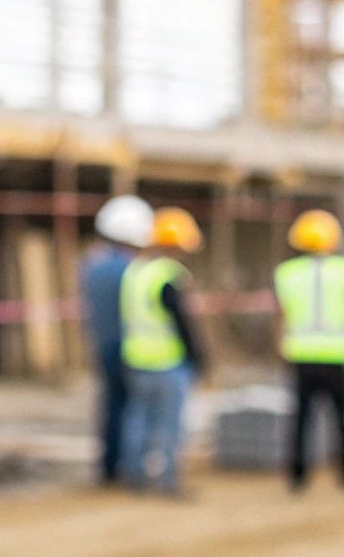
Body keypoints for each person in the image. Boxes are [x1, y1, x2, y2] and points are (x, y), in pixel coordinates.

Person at [273, 209, 344, 492]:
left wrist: (280, 345)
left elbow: (280, 314)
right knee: (341, 419)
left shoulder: (287, 273)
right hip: (337, 355)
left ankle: (297, 477)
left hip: (300, 354)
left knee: (302, 420)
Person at [120, 206, 208, 495]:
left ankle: (133, 476)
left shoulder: (134, 271)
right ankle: (168, 480)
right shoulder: (169, 275)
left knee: (138, 419)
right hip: (167, 360)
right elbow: (182, 321)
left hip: (135, 357)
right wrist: (199, 357)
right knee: (169, 424)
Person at [81, 194, 155, 485]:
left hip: (102, 345)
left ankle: (109, 467)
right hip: (132, 348)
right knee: (134, 410)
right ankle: (131, 466)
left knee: (111, 407)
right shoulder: (132, 270)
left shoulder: (92, 264)